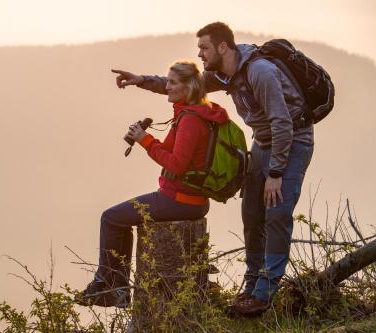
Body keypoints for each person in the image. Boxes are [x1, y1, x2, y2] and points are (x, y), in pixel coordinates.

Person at [112, 22, 314, 316]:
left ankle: (264, 293)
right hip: (263, 140)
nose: (200, 54)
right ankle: (251, 284)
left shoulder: (260, 72)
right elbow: (187, 85)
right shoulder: (224, 74)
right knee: (252, 215)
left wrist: (275, 173)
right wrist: (140, 79)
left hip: (292, 140)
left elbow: (282, 123)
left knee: (276, 213)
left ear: (223, 47)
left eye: (204, 48)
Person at [76, 60, 229, 308]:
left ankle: (109, 286)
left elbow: (177, 165)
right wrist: (144, 138)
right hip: (189, 198)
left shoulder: (190, 119)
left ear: (188, 87)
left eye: (172, 82)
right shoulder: (192, 113)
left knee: (111, 218)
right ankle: (116, 288)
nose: (167, 87)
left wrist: (145, 140)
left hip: (180, 200)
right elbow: (170, 150)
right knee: (119, 219)